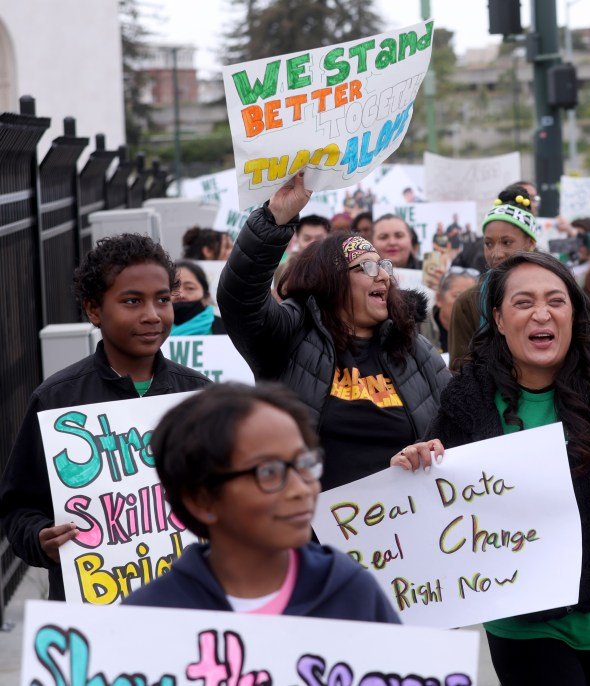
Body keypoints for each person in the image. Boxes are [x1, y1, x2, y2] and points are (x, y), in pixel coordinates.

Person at [393, 252, 590, 686]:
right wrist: (417, 464)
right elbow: (438, 485)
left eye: (555, 301)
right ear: (499, 319)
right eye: (523, 302)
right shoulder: (469, 393)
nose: (541, 313)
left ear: (574, 313)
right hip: (519, 616)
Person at [0, 234, 210, 600]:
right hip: (93, 608)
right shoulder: (57, 399)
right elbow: (18, 507)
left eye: (163, 299)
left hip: (187, 604)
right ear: (94, 310)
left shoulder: (200, 395)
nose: (152, 314)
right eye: (132, 301)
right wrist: (40, 539)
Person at [218, 172, 450, 491]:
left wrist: (431, 449)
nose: (383, 276)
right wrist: (274, 220)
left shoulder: (416, 349)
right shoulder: (290, 337)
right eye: (366, 267)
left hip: (403, 518)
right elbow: (239, 297)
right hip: (308, 517)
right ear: (330, 280)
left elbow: (458, 428)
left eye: (383, 266)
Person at [122, 383, 400, 621]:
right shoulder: (151, 616)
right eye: (268, 472)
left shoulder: (350, 592)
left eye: (304, 464)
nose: (300, 489)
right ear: (201, 500)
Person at [447, 185, 539, 369]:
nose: (496, 253)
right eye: (488, 244)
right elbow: (460, 373)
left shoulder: (557, 294)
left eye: (507, 242)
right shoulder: (468, 303)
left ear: (530, 243)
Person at [420, 268, 478, 354]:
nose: (466, 303)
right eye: (457, 296)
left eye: (472, 297)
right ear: (439, 298)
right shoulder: (418, 328)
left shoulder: (482, 331)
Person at [171, 259, 226, 335]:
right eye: (173, 288)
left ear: (206, 297)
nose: (181, 295)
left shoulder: (228, 331)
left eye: (190, 288)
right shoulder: (155, 330)